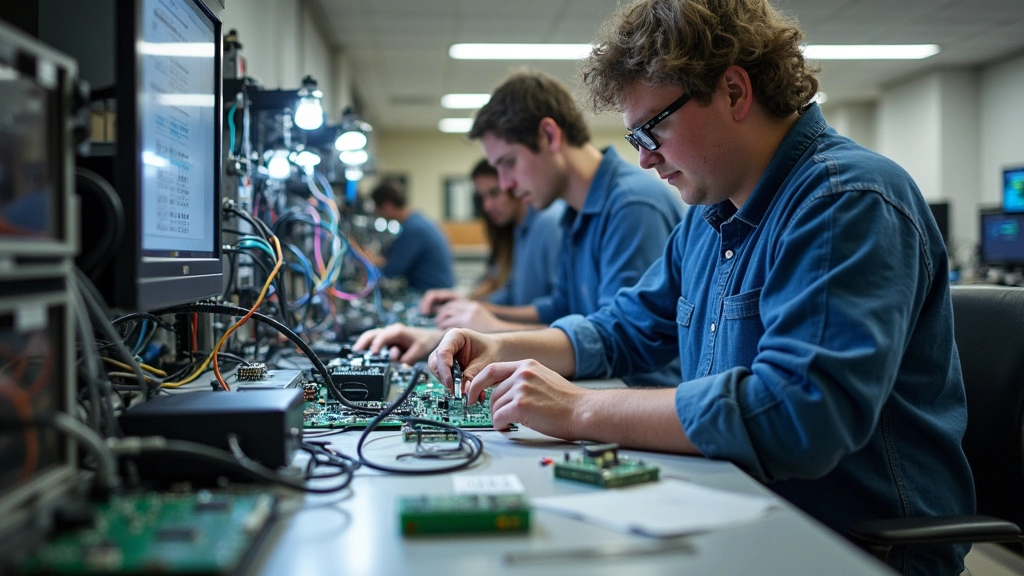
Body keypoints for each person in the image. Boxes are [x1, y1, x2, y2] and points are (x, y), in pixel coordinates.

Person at [421, 1, 976, 574]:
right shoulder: (708, 217)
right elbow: (625, 327)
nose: (643, 158)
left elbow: (797, 413)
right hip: (740, 512)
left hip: (854, 548)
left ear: (734, 92)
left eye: (652, 128)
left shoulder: (845, 201)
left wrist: (579, 408)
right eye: (634, 136)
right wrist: (502, 347)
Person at [365, 70, 686, 388]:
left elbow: (616, 341)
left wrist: (494, 331)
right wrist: (459, 334)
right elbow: (559, 310)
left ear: (548, 135)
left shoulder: (631, 204)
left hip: (634, 396)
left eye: (508, 163)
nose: (506, 185)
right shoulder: (573, 214)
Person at [422, 159, 565, 311]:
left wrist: (479, 309)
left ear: (513, 185)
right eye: (481, 197)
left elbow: (558, 307)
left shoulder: (550, 222)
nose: (487, 206)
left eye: (494, 193)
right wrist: (465, 303)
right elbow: (512, 295)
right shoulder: (518, 229)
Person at [370, 180, 454, 292]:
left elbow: (391, 270)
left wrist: (368, 260)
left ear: (388, 206)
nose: (377, 213)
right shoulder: (416, 221)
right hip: (435, 290)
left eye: (378, 209)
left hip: (432, 293)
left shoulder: (413, 229)